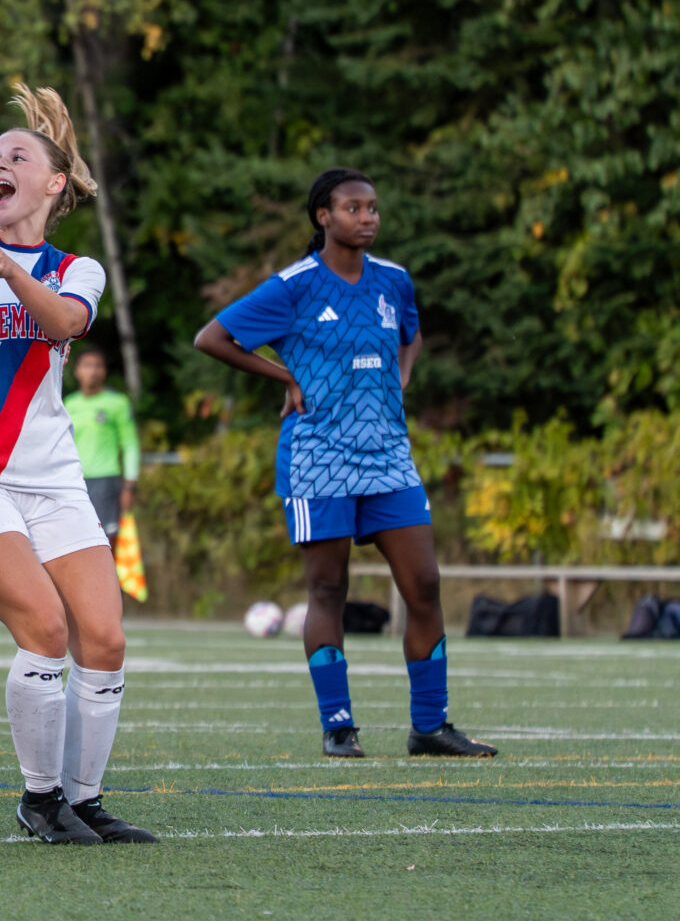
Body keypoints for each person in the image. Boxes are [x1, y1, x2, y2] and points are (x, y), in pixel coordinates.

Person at [193, 167, 496, 760]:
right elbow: (213, 338)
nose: (368, 218)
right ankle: (338, 727)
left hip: (388, 457)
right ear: (323, 217)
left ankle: (429, 728)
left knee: (425, 583)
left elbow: (412, 334)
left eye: (373, 208)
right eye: (354, 208)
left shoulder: (395, 281)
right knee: (327, 589)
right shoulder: (295, 286)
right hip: (318, 459)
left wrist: (403, 376)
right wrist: (284, 375)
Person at [0, 85, 157, 845]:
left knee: (106, 639)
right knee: (45, 628)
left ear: (54, 182)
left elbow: (64, 321)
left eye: (17, 156)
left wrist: (11, 267)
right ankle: (39, 799)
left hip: (54, 479)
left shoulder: (78, 268)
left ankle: (85, 800)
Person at [62, 349, 140, 548]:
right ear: (77, 371)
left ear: (105, 371)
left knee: (106, 541)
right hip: (74, 482)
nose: (93, 371)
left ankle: (109, 579)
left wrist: (130, 484)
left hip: (106, 480)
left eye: (98, 366)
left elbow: (130, 443)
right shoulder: (69, 403)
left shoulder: (117, 403)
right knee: (74, 541)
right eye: (87, 366)